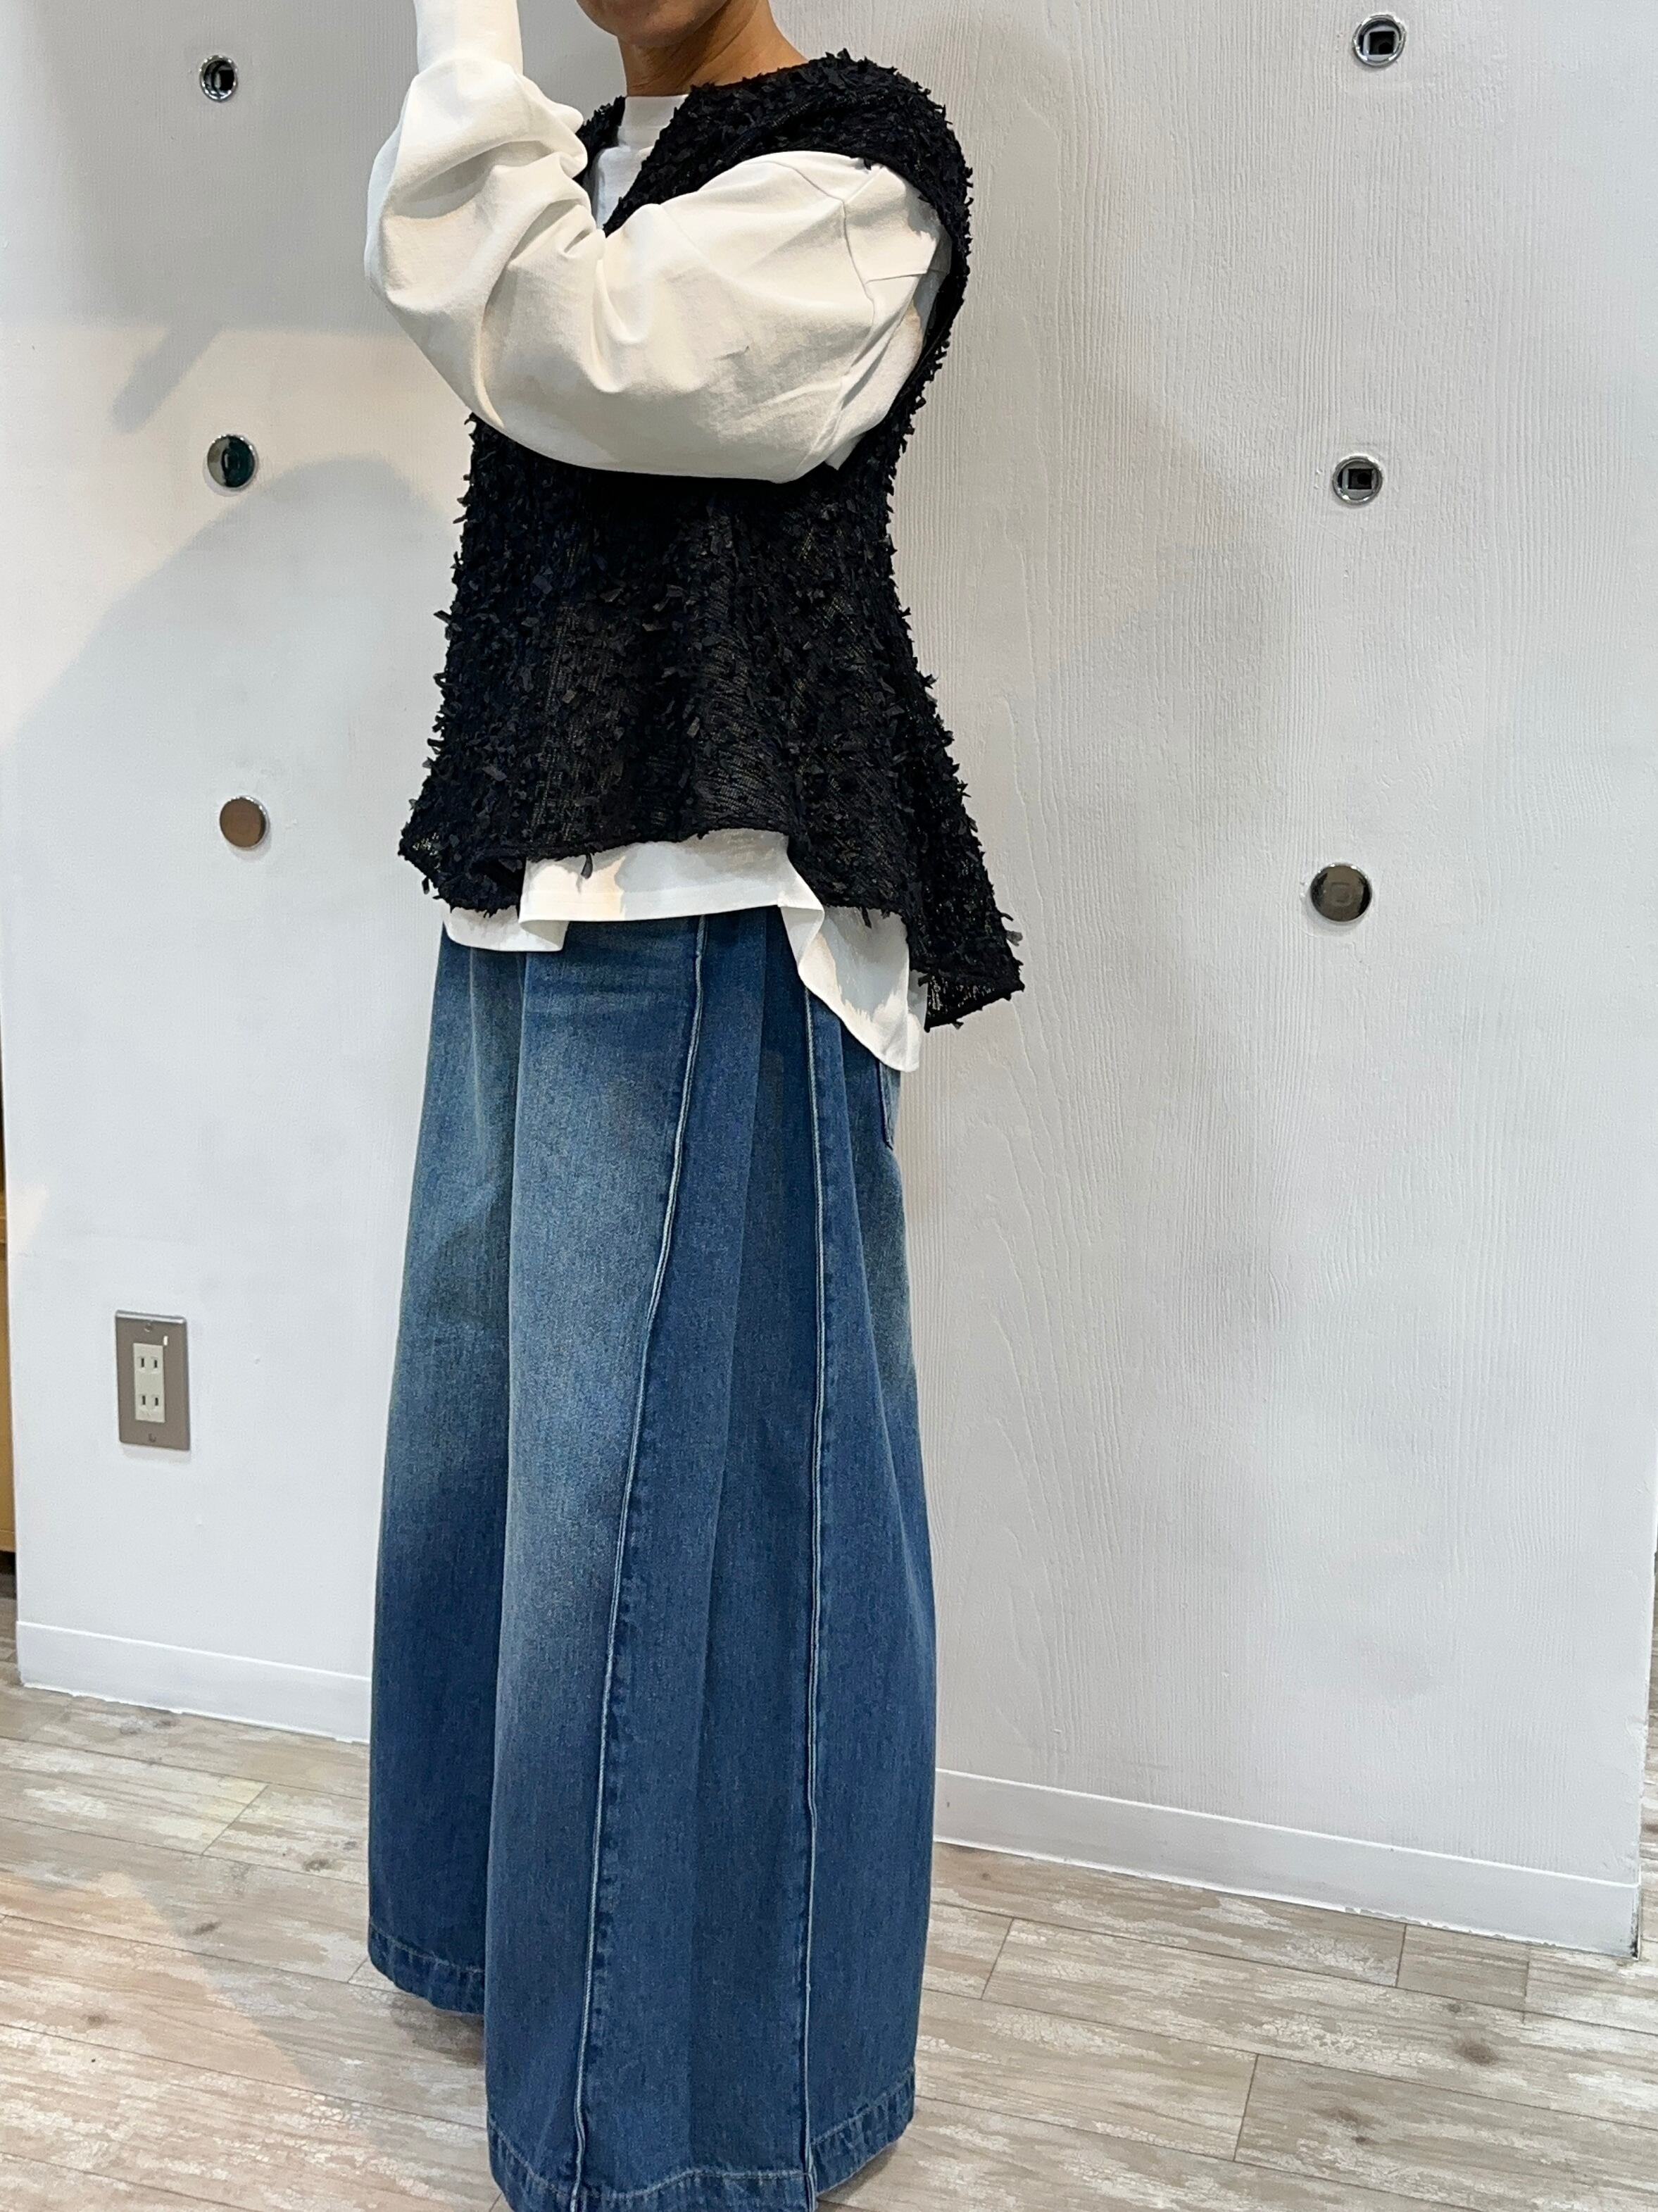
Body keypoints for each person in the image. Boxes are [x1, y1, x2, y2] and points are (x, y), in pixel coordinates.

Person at [362, 3, 1022, 2207]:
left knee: (681, 1529)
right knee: (500, 1489)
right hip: (539, 880)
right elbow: (532, 320)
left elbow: (584, 349)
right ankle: (506, 1959)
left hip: (716, 899)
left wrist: (454, 33)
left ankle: (685, 2121)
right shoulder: (592, 156)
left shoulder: (857, 166)